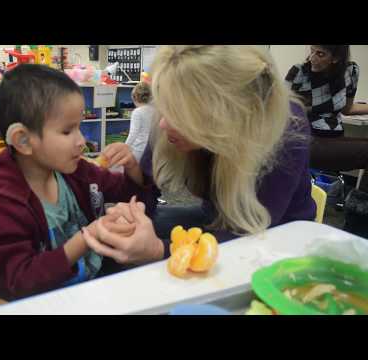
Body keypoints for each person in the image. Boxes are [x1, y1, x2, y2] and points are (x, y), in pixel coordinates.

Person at [82, 45, 316, 263]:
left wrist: (158, 251)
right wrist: (134, 188)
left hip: (277, 240)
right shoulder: (173, 113)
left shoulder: (284, 131)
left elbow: (243, 240)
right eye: (164, 107)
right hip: (217, 219)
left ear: (227, 113)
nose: (163, 124)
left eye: (180, 115)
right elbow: (147, 204)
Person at [0, 64, 161, 300]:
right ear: (23, 140)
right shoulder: (2, 203)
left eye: (79, 127)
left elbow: (136, 198)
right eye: (67, 131)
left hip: (96, 285)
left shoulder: (74, 170)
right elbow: (20, 281)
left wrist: (132, 166)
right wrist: (87, 237)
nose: (82, 141)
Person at [285, 45, 368, 191]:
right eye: (311, 51)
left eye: (320, 54)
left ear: (336, 58)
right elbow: (280, 110)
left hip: (334, 140)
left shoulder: (351, 71)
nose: (312, 58)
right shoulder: (299, 72)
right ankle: (358, 208)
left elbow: (347, 109)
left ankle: (359, 205)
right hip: (306, 138)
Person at [125, 82, 156, 162]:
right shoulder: (155, 110)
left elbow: (133, 133)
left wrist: (125, 146)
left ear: (134, 97)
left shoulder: (137, 112)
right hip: (152, 148)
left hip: (139, 149)